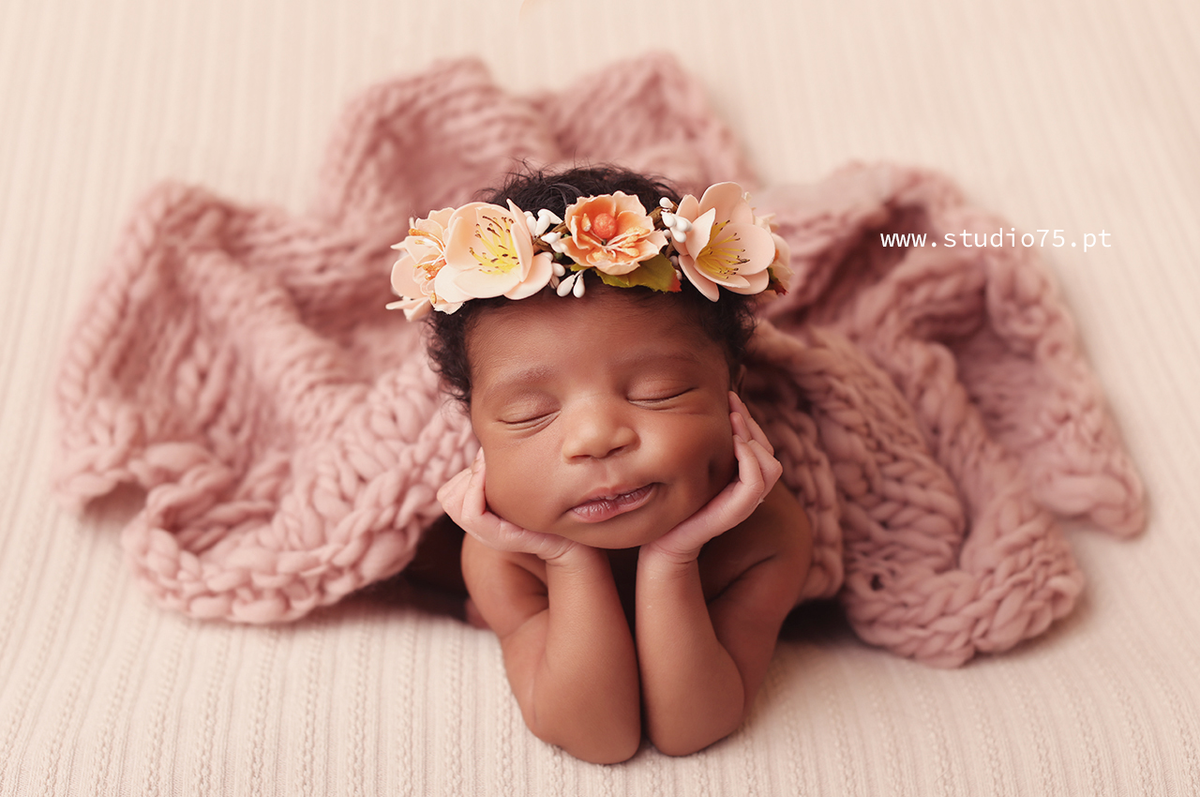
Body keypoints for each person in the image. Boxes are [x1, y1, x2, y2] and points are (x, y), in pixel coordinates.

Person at [390, 166, 813, 764]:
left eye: (658, 390)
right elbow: (599, 737)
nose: (594, 439)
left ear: (732, 397)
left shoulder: (765, 537)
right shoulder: (503, 554)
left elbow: (692, 727)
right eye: (530, 414)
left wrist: (676, 557)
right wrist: (565, 559)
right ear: (476, 436)